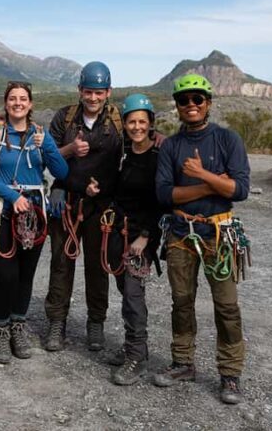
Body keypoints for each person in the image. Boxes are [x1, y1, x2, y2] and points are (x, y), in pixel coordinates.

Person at [153, 73, 250, 404]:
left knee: (226, 305)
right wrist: (212, 184)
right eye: (184, 100)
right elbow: (165, 194)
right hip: (181, 235)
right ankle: (183, 362)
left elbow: (240, 189)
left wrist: (200, 175)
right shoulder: (171, 147)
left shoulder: (227, 140)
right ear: (177, 106)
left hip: (219, 234)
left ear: (208, 103)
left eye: (197, 99)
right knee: (181, 301)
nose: (191, 105)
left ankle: (230, 374)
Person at [0, 81, 68, 364]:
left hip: (34, 214)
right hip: (4, 210)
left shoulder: (41, 135)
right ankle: (1, 328)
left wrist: (48, 148)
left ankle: (18, 325)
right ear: (6, 103)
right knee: (6, 275)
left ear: (30, 104)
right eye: (13, 98)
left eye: (23, 99)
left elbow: (62, 171)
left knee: (26, 275)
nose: (18, 103)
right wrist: (12, 195)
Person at [43, 61, 123, 352]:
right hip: (67, 201)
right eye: (88, 91)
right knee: (61, 263)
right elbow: (47, 157)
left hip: (102, 206)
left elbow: (138, 149)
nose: (93, 98)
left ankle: (96, 323)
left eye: (99, 92)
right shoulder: (64, 118)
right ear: (79, 90)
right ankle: (56, 323)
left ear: (108, 92)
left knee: (97, 266)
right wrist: (70, 151)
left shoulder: (118, 121)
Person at [100, 93, 167, 385]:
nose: (137, 126)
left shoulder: (159, 157)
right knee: (123, 289)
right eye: (131, 121)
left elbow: (161, 200)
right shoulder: (124, 154)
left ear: (150, 123)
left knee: (133, 293)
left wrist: (146, 237)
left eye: (142, 121)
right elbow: (116, 190)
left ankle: (137, 356)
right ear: (125, 124)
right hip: (119, 231)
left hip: (141, 236)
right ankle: (133, 347)